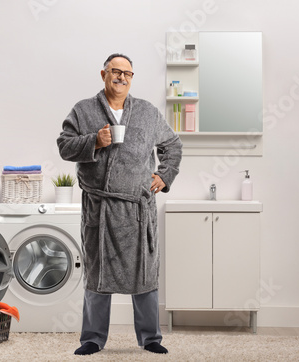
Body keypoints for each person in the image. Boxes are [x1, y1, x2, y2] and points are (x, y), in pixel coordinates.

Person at [56, 53, 182, 355]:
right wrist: (93, 141)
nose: (121, 77)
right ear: (103, 74)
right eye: (115, 71)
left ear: (131, 78)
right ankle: (92, 338)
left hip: (137, 210)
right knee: (98, 273)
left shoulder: (147, 113)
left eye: (127, 73)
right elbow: (64, 146)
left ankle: (151, 338)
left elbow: (172, 145)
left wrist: (163, 176)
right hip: (100, 209)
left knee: (145, 273)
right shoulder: (84, 110)